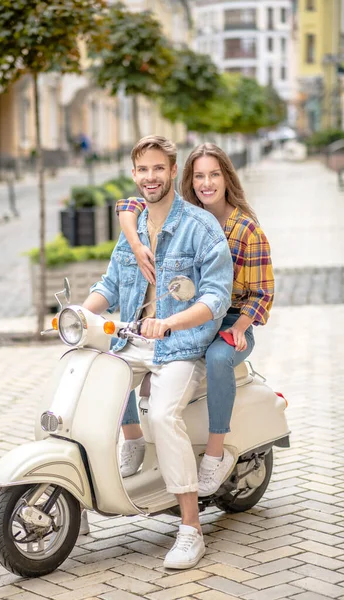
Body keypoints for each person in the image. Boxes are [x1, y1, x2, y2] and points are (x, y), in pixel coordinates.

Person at [83, 135, 233, 569]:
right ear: (134, 174)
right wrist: (74, 314)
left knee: (164, 413)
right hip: (131, 339)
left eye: (158, 169)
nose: (150, 177)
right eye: (142, 170)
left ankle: (191, 528)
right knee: (91, 381)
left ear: (172, 172)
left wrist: (169, 321)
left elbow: (216, 297)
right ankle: (107, 465)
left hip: (181, 345)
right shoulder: (132, 228)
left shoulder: (200, 227)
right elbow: (109, 285)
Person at [116, 142, 274, 497]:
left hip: (232, 319)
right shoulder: (182, 217)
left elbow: (262, 292)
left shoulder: (245, 229)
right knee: (117, 351)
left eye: (214, 175)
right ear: (187, 178)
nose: (206, 183)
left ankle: (215, 453)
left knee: (218, 357)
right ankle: (133, 438)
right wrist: (135, 242)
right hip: (189, 318)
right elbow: (128, 205)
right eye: (199, 175)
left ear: (226, 178)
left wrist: (238, 327)